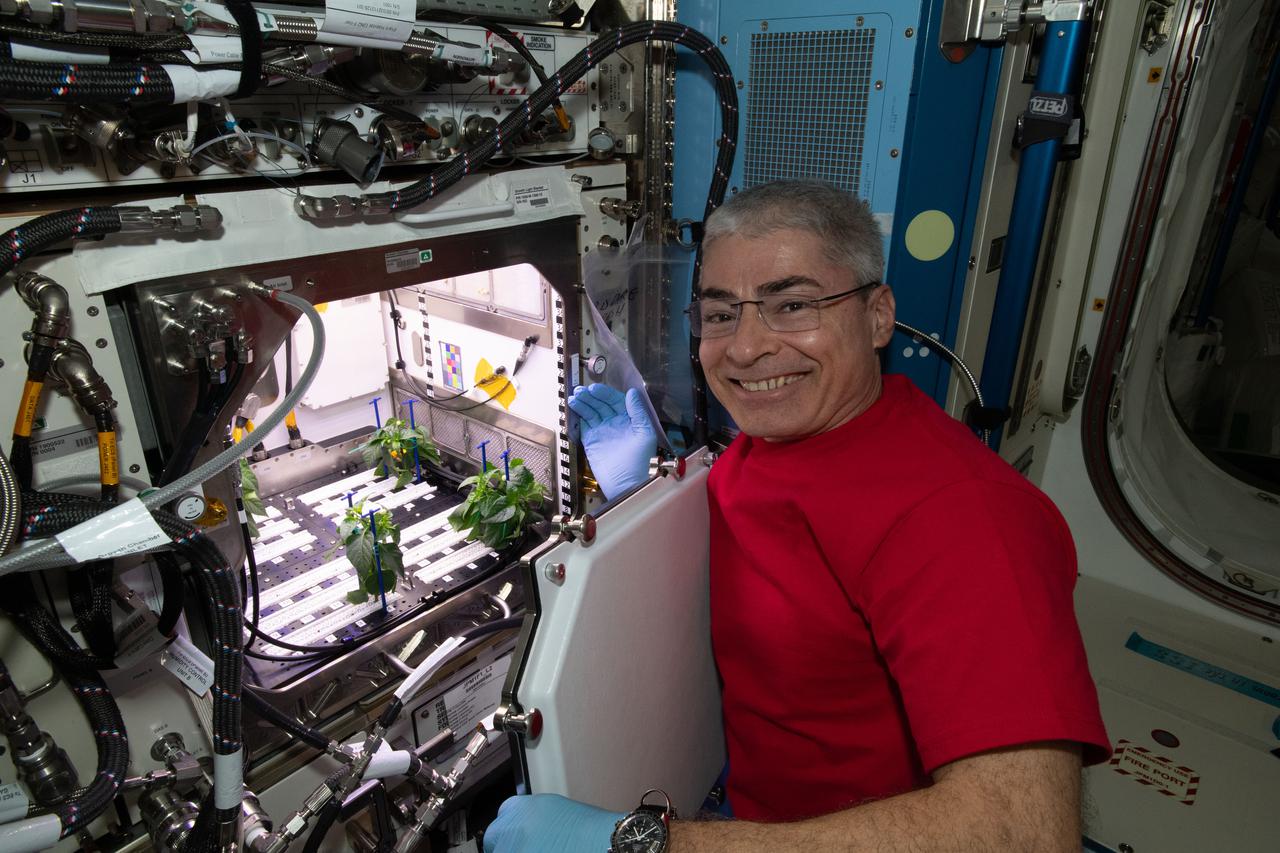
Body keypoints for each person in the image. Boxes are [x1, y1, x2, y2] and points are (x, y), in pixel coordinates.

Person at [483, 180, 1109, 852]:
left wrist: (643, 843)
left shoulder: (962, 518)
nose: (746, 348)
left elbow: (1027, 833)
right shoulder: (771, 441)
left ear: (878, 315)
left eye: (793, 304)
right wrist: (641, 504)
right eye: (721, 315)